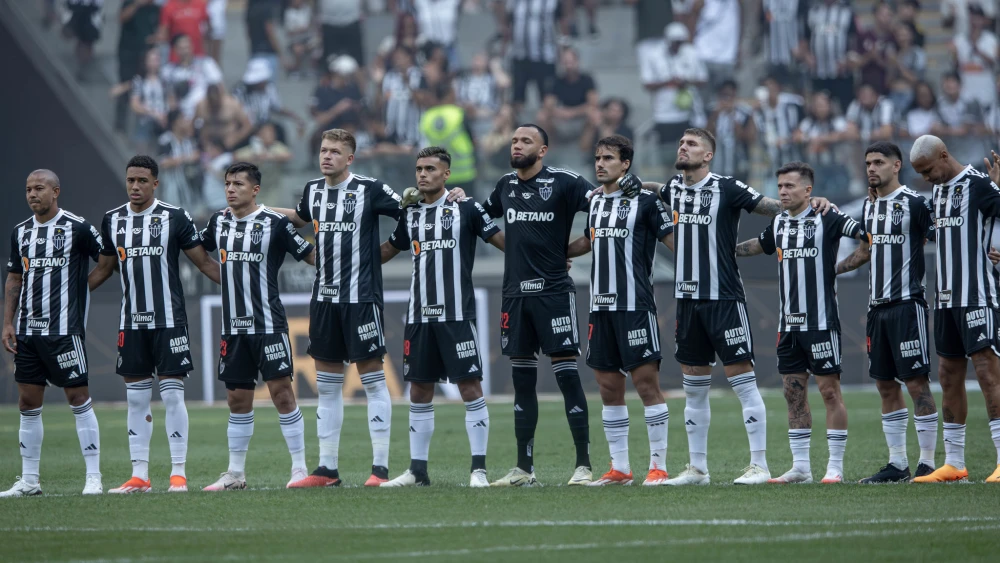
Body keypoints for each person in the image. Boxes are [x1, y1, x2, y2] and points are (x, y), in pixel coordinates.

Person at [276, 129, 466, 488]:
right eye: (323, 150)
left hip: (360, 298)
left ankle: (379, 470)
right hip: (324, 299)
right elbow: (300, 218)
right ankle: (326, 470)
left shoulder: (370, 189)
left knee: (373, 382)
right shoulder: (313, 190)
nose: (326, 156)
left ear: (350, 158)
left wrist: (453, 195)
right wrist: (258, 209)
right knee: (328, 386)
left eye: (335, 151)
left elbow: (412, 209)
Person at [645, 128, 833, 485]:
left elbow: (771, 205)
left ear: (708, 155)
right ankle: (697, 469)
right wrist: (636, 184)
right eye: (682, 143)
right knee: (693, 389)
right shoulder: (673, 188)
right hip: (687, 302)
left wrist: (813, 202)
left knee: (743, 384)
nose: (683, 147)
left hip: (725, 299)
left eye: (692, 144)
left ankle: (759, 465)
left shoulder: (726, 187)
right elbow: (658, 188)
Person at [482, 124, 641, 487]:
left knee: (567, 376)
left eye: (526, 141)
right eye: (514, 140)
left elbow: (605, 202)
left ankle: (583, 465)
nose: (517, 145)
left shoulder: (566, 182)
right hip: (515, 294)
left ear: (543, 151)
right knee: (522, 381)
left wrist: (564, 251)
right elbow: (480, 217)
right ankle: (524, 469)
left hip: (554, 292)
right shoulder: (504, 185)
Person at [86, 155, 221, 494]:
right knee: (136, 400)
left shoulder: (174, 217)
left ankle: (178, 474)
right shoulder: (112, 220)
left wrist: (238, 286)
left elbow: (204, 262)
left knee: (173, 397)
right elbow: (103, 269)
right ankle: (140, 476)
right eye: (131, 180)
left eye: (142, 181)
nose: (135, 186)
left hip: (169, 320)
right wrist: (71, 296)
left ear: (155, 183)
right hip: (130, 322)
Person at [378, 146, 506, 488]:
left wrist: (546, 257)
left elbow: (501, 241)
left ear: (446, 174)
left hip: (456, 314)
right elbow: (389, 250)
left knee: (469, 386)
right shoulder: (411, 212)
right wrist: (352, 259)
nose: (422, 174)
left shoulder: (466, 208)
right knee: (419, 389)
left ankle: (478, 469)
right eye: (419, 168)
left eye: (430, 169)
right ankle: (418, 471)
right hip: (419, 316)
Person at [734, 162, 866, 484]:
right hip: (788, 326)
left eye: (789, 186)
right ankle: (801, 468)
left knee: (829, 391)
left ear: (808, 190)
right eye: (779, 186)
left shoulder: (828, 217)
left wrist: (840, 267)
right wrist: (724, 250)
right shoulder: (779, 223)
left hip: (821, 323)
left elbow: (868, 238)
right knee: (793, 393)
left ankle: (834, 467)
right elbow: (756, 246)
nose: (782, 192)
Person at [565, 135, 675, 486]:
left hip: (635, 305)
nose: (600, 164)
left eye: (608, 158)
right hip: (600, 307)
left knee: (646, 385)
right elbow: (589, 238)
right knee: (608, 386)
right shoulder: (596, 202)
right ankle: (620, 469)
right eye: (597, 158)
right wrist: (558, 253)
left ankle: (658, 466)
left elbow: (673, 239)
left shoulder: (645, 201)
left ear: (625, 164)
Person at [199, 162, 316, 491]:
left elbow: (308, 255)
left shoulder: (274, 223)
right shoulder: (217, 222)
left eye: (237, 183)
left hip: (268, 324)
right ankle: (235, 474)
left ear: (255, 190)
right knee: (237, 399)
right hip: (233, 329)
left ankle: (299, 469)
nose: (230, 189)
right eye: (227, 183)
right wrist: (224, 280)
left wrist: (346, 255)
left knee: (282, 394)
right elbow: (197, 250)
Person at [833, 141, 941, 483]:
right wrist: (829, 270)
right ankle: (897, 465)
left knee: (916, 383)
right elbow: (865, 251)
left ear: (896, 166)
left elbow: (946, 237)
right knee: (884, 385)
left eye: (878, 162)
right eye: (867, 163)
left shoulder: (915, 204)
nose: (871, 168)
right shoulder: (870, 207)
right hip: (876, 310)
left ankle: (927, 464)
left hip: (907, 306)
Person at [1, 170, 104, 497]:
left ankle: (93, 477)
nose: (32, 194)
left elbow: (107, 260)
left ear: (55, 191)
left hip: (64, 332)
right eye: (29, 189)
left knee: (78, 398)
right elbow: (15, 277)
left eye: (39, 188)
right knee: (28, 402)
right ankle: (30, 481)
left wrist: (81, 291)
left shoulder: (77, 226)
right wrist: (7, 322)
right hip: (28, 333)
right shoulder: (21, 232)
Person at [908, 135, 1000, 483]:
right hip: (945, 300)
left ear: (944, 155)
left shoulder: (978, 185)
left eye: (929, 170)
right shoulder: (939, 191)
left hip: (977, 296)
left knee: (989, 374)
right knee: (948, 375)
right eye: (921, 174)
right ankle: (955, 464)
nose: (927, 178)